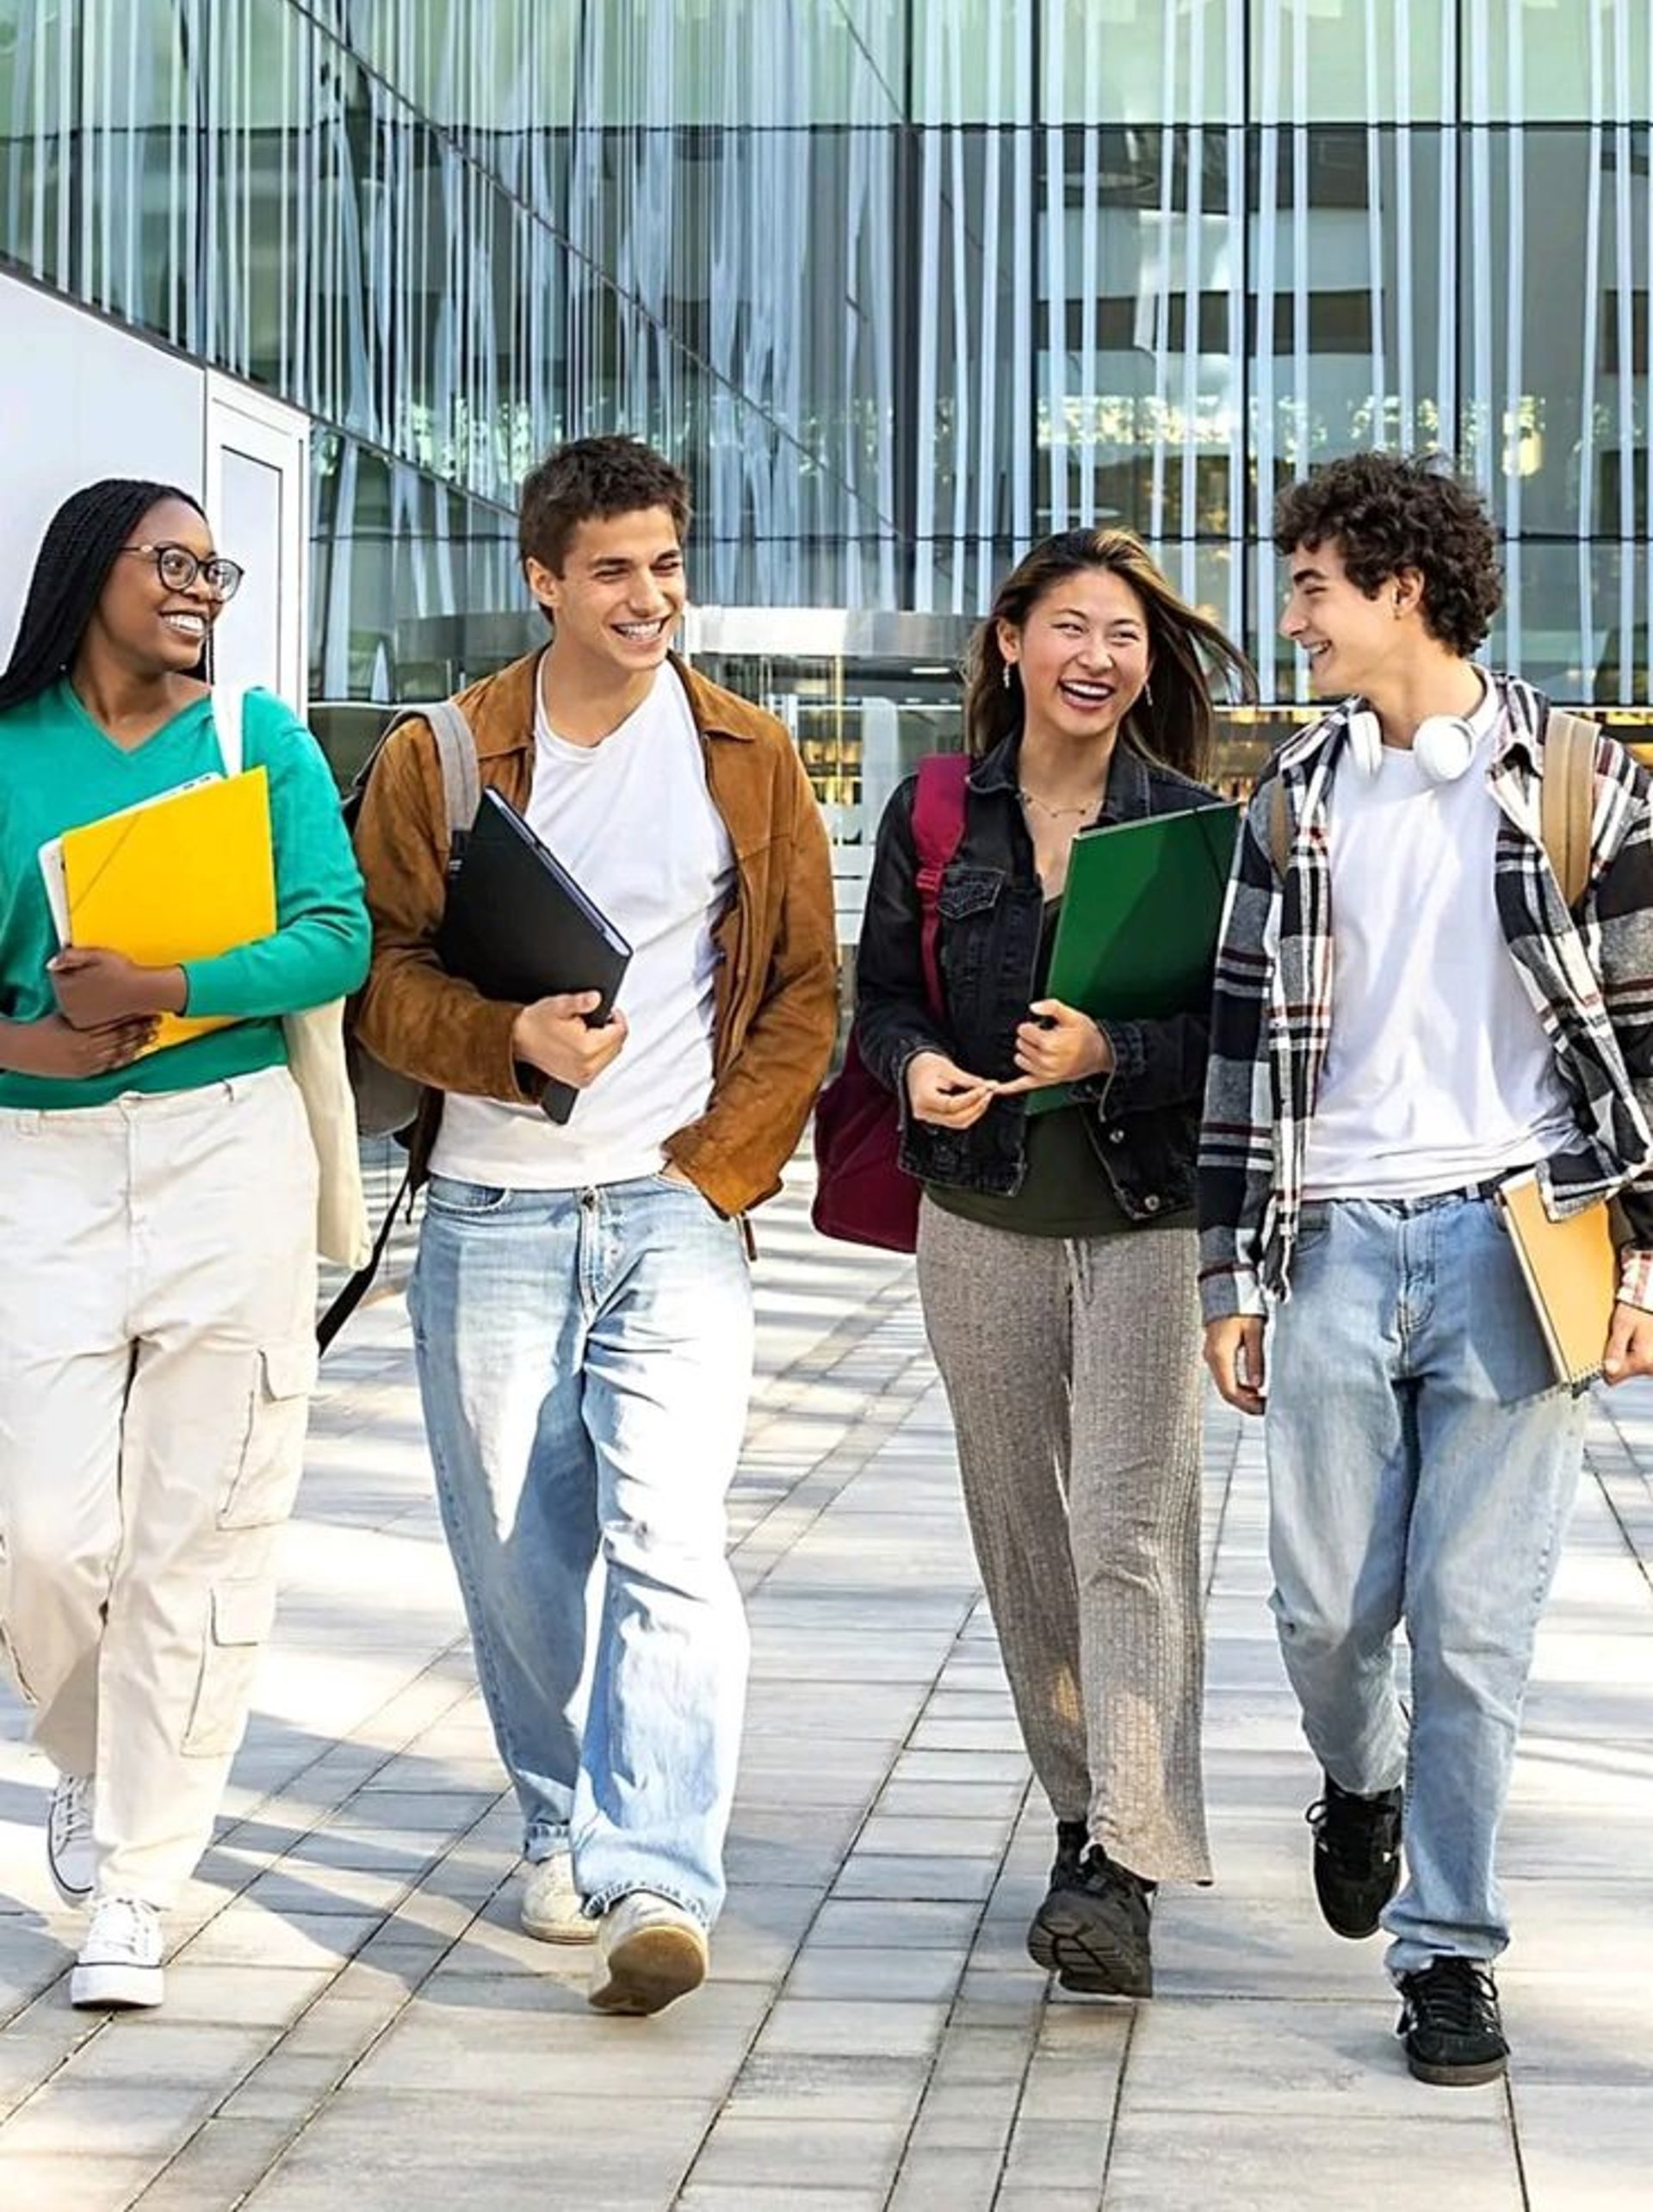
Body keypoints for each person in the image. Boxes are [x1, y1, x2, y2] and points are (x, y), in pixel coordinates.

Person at [351, 433, 836, 2017]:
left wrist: (718, 1172)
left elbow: (801, 995)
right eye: (613, 570)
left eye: (668, 566)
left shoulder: (749, 756)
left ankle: (659, 1871)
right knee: (515, 1555)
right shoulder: (445, 753)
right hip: (491, 1210)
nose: (650, 598)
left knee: (671, 1542)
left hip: (671, 1213)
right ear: (542, 579)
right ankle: (559, 1820)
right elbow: (380, 980)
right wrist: (513, 1047)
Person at [1199, 452, 1653, 2088]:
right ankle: (1361, 1782)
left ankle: (1449, 1950)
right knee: (1328, 1611)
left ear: (1400, 590)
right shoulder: (1292, 801)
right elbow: (1240, 1056)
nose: (1293, 616)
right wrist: (1228, 1277)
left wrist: (1646, 1273)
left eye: (1313, 586)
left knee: (1477, 1628)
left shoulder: (1577, 780)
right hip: (1329, 1242)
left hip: (1519, 1245)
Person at [854, 528, 1252, 1998]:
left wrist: (1112, 1053)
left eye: (1128, 637)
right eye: (1072, 627)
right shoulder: (936, 810)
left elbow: (1235, 1042)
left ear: (1150, 668)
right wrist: (915, 1075)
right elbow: (883, 1002)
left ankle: (1126, 1866)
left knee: (1130, 1535)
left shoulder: (1197, 828)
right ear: (1013, 639)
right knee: (1024, 1535)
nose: (1099, 657)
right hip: (981, 1220)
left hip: (1149, 1227)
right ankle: (1083, 1818)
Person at [0, 479, 370, 2013]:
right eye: (174, 560)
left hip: (229, 1154)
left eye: (215, 565)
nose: (203, 586)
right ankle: (91, 1751)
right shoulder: (9, 745)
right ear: (90, 572)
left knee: (198, 1535)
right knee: (43, 1533)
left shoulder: (255, 737)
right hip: (40, 1164)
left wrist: (172, 982)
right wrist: (28, 1043)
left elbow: (334, 930)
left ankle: (140, 1883)